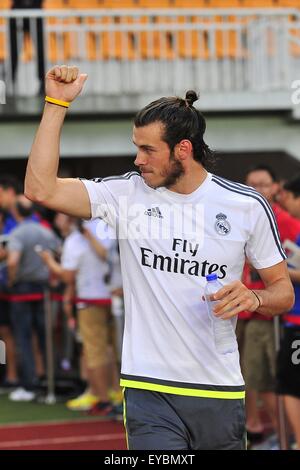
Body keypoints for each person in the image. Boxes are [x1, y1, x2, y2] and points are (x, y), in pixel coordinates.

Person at [24, 65, 294, 450]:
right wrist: (55, 104)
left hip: (218, 387)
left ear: (183, 149)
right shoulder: (126, 196)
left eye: (148, 149)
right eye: (137, 147)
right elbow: (39, 188)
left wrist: (254, 298)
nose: (138, 159)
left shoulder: (246, 206)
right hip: (148, 387)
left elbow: (282, 292)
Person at [240, 165, 300, 445]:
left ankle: (287, 436)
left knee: (285, 381)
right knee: (257, 376)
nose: (256, 190)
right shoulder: (240, 217)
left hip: (281, 314)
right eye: (251, 184)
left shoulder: (287, 221)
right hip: (249, 309)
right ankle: (279, 434)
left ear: (276, 188)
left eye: (263, 184)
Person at [6, 195, 60, 401]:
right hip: (45, 289)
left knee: (23, 338)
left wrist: (11, 280)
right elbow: (59, 254)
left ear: (16, 212)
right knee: (45, 336)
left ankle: (30, 386)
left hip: (22, 290)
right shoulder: (45, 231)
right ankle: (49, 381)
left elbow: (12, 262)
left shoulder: (18, 233)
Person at [276, 175, 300, 450]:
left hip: (297, 322)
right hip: (293, 320)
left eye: (289, 199)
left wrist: (280, 272)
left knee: (291, 386)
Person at [9, 0, 45, 94]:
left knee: (41, 51)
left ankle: (43, 82)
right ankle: (10, 82)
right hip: (16, 13)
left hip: (36, 12)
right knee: (13, 51)